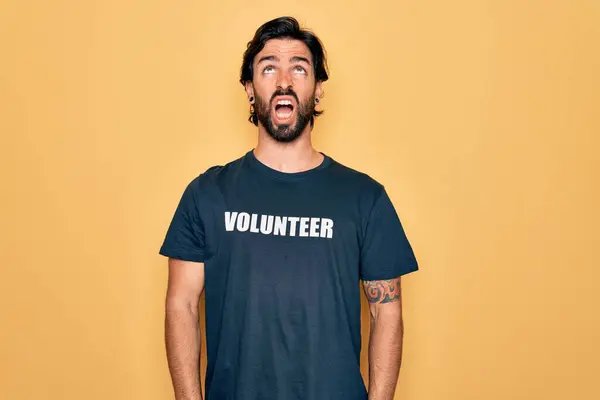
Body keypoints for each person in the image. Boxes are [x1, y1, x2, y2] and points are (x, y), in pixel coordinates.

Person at [159, 16, 419, 400]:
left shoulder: (365, 198)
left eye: (299, 67)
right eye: (268, 68)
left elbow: (387, 314)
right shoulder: (207, 194)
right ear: (250, 89)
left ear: (317, 90)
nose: (284, 81)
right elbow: (180, 306)